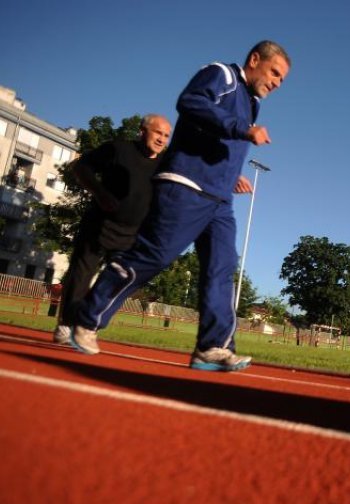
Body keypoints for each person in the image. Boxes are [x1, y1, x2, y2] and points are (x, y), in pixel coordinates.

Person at [71, 40, 291, 372]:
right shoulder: (222, 75)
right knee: (154, 256)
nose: (276, 82)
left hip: (219, 199)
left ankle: (212, 347)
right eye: (274, 72)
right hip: (185, 186)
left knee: (222, 267)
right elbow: (190, 102)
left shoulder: (252, 104)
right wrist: (241, 130)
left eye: (282, 80)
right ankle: (88, 317)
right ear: (254, 59)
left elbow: (221, 144)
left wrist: (231, 175)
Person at [53, 114, 171, 344]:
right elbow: (82, 167)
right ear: (142, 131)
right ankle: (66, 324)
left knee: (116, 279)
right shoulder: (118, 149)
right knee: (80, 274)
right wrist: (99, 192)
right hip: (100, 225)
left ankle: (88, 323)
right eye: (158, 133)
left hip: (133, 234)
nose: (161, 139)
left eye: (166, 136)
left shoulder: (164, 165)